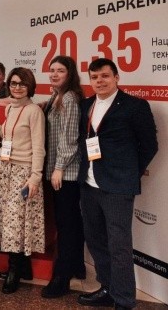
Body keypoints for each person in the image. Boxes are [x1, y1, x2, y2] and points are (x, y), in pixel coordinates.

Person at [77, 58, 157, 309]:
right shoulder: (86, 104)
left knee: (119, 245)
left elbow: (150, 145)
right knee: (95, 240)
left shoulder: (135, 106)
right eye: (94, 77)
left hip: (117, 187)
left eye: (104, 76)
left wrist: (129, 172)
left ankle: (124, 300)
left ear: (116, 77)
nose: (99, 81)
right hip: (89, 183)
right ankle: (108, 289)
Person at [0, 67, 45, 294]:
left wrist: (35, 178)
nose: (17, 87)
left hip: (24, 172)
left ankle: (14, 270)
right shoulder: (11, 108)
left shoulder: (34, 111)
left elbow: (39, 148)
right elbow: (6, 135)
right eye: (13, 83)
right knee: (11, 219)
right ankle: (24, 269)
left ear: (30, 86)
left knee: (16, 222)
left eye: (22, 84)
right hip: (6, 170)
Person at [40, 56, 86, 298]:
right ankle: (77, 265)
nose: (55, 74)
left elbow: (70, 138)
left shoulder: (69, 98)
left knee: (66, 226)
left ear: (70, 74)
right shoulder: (56, 96)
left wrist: (58, 168)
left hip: (65, 173)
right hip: (59, 171)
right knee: (71, 222)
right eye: (52, 70)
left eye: (60, 70)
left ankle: (62, 278)